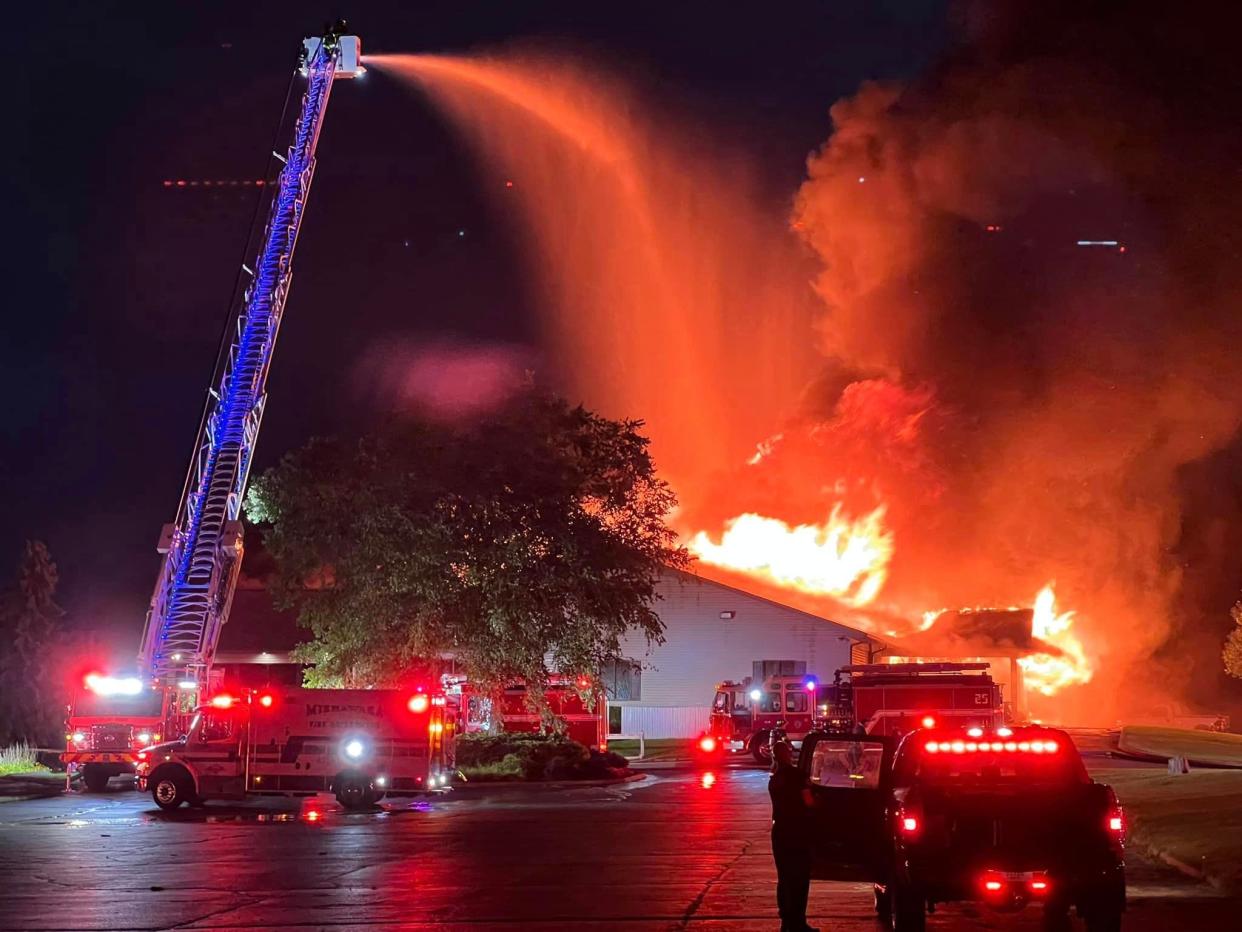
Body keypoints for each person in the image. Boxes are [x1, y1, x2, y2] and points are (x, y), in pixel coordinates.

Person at [769, 739, 818, 932]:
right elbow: (809, 803)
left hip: (779, 833)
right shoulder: (798, 776)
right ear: (788, 754)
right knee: (799, 879)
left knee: (784, 878)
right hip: (797, 833)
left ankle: (786, 921)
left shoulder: (775, 779)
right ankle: (798, 922)